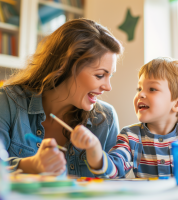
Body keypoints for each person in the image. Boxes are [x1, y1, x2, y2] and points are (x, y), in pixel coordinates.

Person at [0, 18, 123, 177]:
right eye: (100, 75)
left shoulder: (106, 118)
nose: (108, 87)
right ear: (65, 66)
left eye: (110, 76)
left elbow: (117, 182)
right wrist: (30, 165)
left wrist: (98, 157)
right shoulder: (9, 102)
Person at [70, 57, 178, 178]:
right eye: (139, 88)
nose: (141, 94)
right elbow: (114, 169)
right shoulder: (130, 136)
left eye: (152, 89)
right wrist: (94, 151)